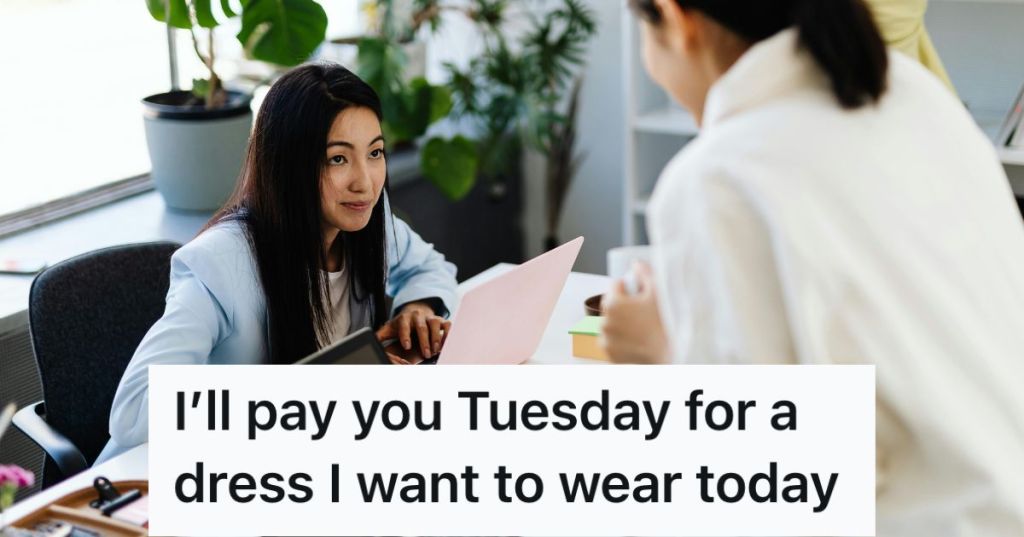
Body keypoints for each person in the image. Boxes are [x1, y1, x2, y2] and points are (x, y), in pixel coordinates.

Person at [601, 0, 1024, 534]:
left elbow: (755, 492)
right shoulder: (918, 97)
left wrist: (662, 353)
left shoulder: (719, 179)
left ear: (675, 19)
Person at [96, 63, 458, 463]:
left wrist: (418, 308)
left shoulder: (365, 221)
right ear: (288, 166)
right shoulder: (220, 266)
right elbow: (134, 412)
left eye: (374, 153)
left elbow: (429, 267)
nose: (365, 181)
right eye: (338, 159)